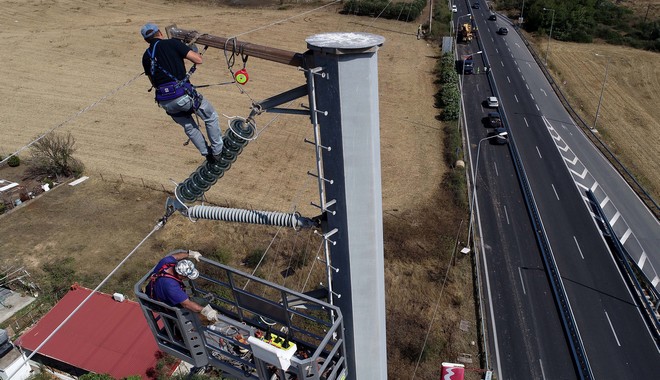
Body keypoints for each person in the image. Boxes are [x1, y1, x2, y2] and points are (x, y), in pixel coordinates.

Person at [140, 23, 224, 163]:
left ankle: (207, 154)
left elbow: (153, 82)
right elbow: (198, 59)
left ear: (146, 40)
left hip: (165, 101)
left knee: (189, 127)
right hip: (183, 96)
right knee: (210, 116)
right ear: (160, 33)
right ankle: (218, 151)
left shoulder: (145, 56)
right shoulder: (172, 43)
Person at [146, 249, 219, 322]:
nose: (187, 278)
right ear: (180, 275)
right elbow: (186, 304)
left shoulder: (166, 262)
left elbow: (176, 256)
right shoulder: (171, 286)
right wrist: (205, 311)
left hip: (158, 292)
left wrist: (190, 254)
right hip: (165, 305)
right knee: (197, 305)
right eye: (187, 277)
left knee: (198, 304)